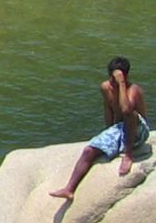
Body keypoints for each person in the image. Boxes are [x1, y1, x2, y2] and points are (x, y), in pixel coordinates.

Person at [49, 56, 149, 199]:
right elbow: (108, 110)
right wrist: (107, 133)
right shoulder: (105, 87)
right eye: (112, 77)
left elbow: (126, 110)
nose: (112, 81)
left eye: (117, 78)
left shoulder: (133, 90)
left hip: (138, 130)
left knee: (130, 114)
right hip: (120, 128)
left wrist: (121, 85)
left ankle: (128, 154)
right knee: (89, 150)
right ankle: (69, 189)